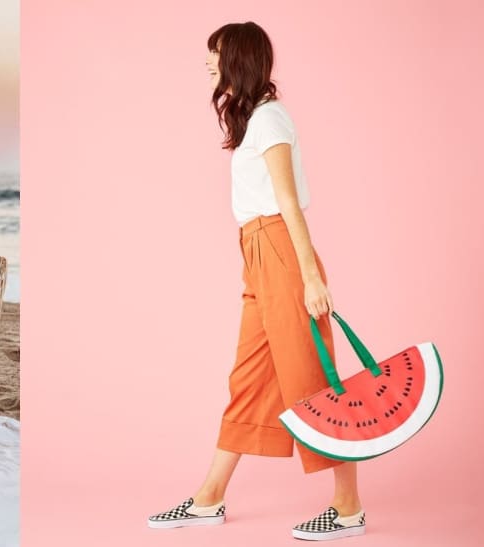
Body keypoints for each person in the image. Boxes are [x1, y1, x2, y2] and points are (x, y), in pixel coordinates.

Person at [146, 23, 365, 541]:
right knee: (248, 380)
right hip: (257, 253)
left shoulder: (269, 120)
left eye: (215, 54)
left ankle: (349, 508)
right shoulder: (257, 120)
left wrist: (311, 278)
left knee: (311, 380)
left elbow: (288, 204)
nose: (207, 63)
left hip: (283, 253)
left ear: (238, 58)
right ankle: (209, 498)